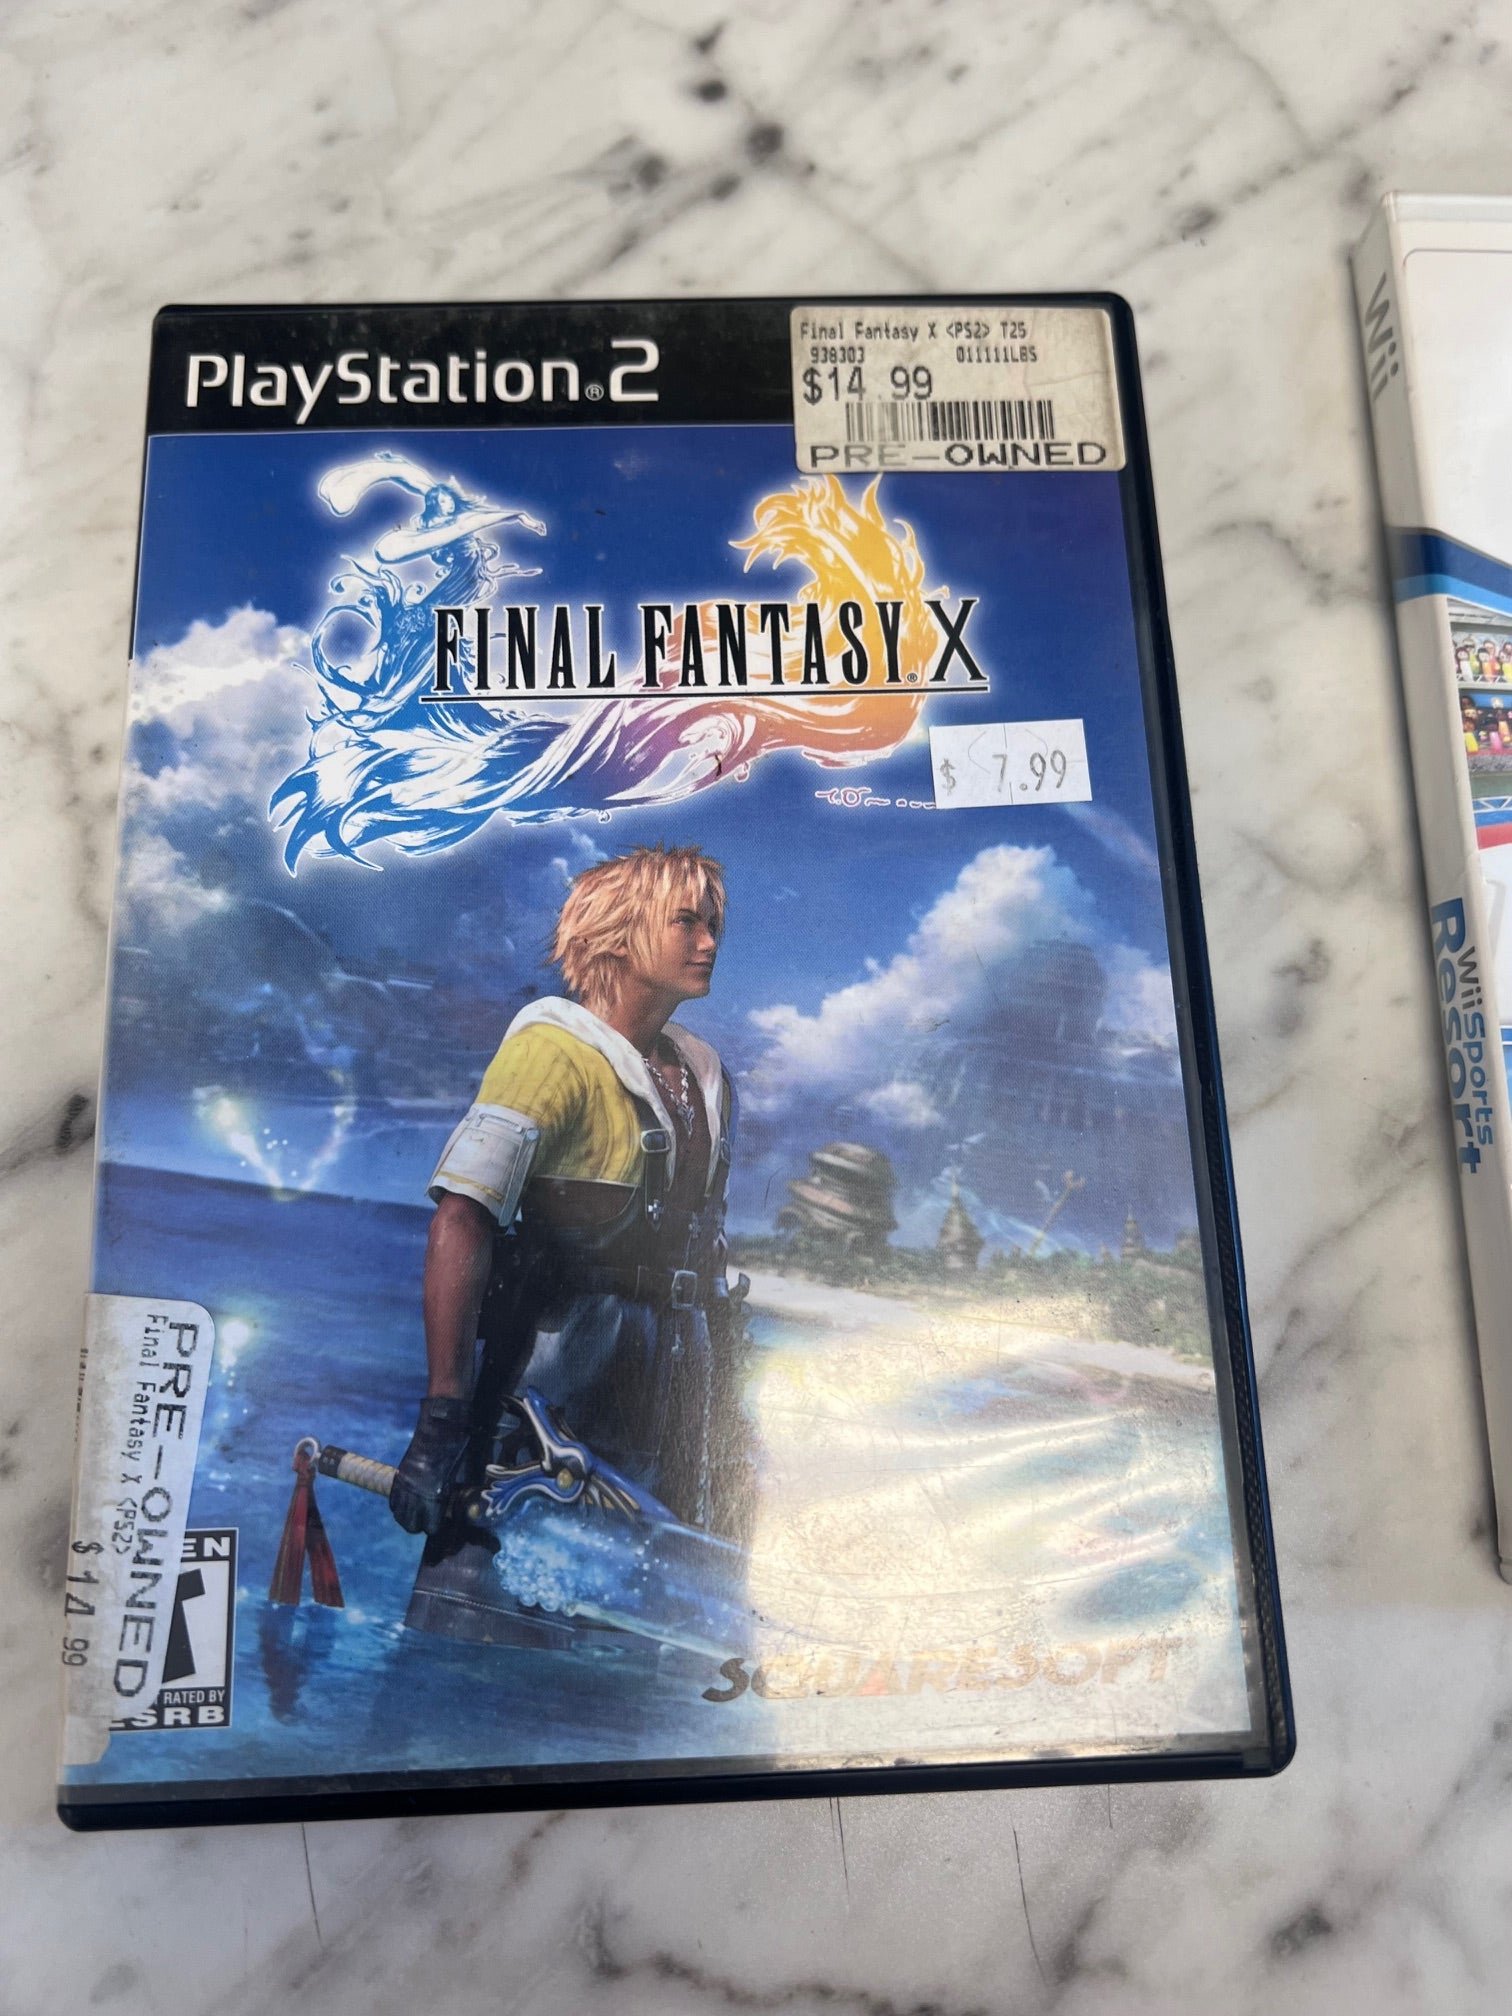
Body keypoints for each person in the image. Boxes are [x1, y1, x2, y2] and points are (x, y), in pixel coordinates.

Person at [389, 843, 746, 1644]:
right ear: (618, 933)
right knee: (482, 1623)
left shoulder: (708, 1079)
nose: (709, 942)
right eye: (686, 922)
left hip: (669, 1387)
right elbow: (462, 1219)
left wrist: (722, 1429)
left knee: (634, 1635)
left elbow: (708, 1250)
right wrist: (441, 1422)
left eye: (713, 926)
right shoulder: (549, 1053)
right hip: (554, 1383)